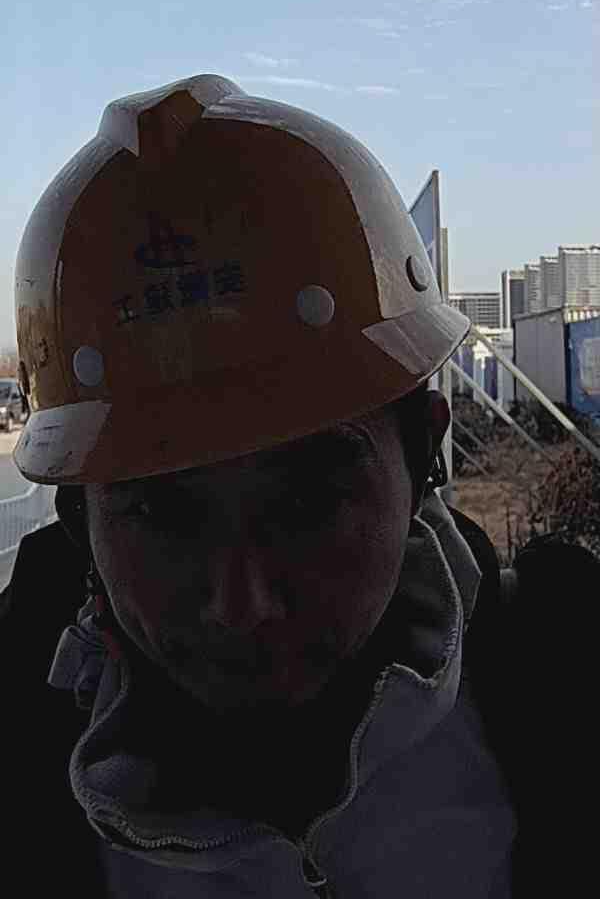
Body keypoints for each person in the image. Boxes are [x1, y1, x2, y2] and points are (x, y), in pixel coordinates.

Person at [2, 75, 597, 897]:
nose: (242, 603)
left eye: (308, 498)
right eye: (161, 511)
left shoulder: (566, 680)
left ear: (422, 453)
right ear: (81, 520)